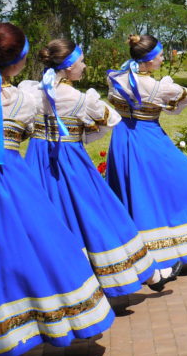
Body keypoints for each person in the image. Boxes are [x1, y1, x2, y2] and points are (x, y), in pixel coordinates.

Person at [0, 23, 115, 356]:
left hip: (10, 176)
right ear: (16, 62)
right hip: (8, 181)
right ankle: (26, 342)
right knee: (36, 250)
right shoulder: (23, 99)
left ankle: (7, 351)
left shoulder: (26, 94)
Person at [24, 39, 178, 296]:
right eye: (81, 61)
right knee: (100, 213)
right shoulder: (78, 98)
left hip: (38, 160)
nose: (84, 66)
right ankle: (144, 273)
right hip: (69, 160)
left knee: (52, 216)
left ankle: (69, 283)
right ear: (70, 66)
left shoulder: (31, 92)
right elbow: (107, 121)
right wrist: (80, 135)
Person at [106, 34, 187, 267]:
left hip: (123, 139)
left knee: (141, 191)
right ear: (149, 60)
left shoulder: (117, 77)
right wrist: (168, 86)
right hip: (148, 139)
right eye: (161, 55)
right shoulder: (152, 86)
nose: (163, 59)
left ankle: (148, 251)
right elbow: (184, 98)